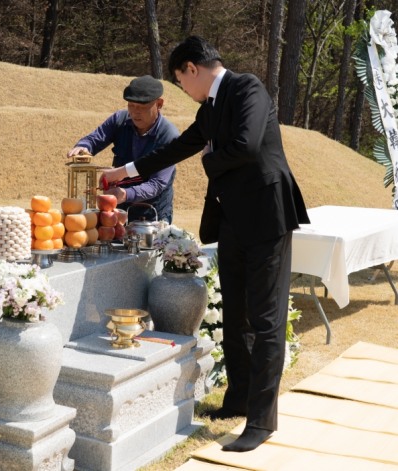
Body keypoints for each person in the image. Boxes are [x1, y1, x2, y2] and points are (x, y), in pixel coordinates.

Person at [100, 36, 309, 453]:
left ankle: (261, 420)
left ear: (192, 69)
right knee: (235, 312)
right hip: (232, 219)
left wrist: (209, 160)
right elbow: (178, 146)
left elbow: (246, 146)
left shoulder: (247, 87)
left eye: (180, 80)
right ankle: (237, 398)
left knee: (265, 319)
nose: (183, 89)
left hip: (267, 217)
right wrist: (125, 171)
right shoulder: (208, 108)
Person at [67, 75, 180, 223]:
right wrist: (84, 147)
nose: (135, 112)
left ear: (159, 104)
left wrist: (125, 194)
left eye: (142, 107)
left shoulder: (169, 135)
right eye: (131, 105)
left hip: (153, 214)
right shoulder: (119, 120)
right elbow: (94, 139)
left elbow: (156, 184)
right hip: (118, 212)